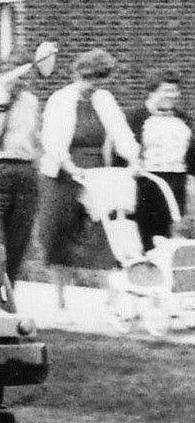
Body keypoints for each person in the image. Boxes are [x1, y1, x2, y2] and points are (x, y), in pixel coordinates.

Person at [32, 48, 141, 322]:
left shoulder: (104, 99)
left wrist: (133, 158)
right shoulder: (61, 99)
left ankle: (112, 299)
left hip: (96, 173)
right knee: (58, 232)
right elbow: (52, 139)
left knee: (105, 231)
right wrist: (70, 167)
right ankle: (60, 302)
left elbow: (120, 132)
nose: (94, 86)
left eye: (100, 81)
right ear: (79, 74)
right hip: (62, 174)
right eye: (90, 79)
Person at [0, 51, 43, 302]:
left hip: (25, 170)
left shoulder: (32, 102)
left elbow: (37, 137)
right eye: (14, 70)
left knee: (19, 237)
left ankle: (10, 295)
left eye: (24, 72)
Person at [123, 70, 195, 251]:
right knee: (142, 231)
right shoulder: (134, 117)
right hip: (144, 183)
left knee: (169, 232)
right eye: (166, 90)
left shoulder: (184, 119)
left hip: (176, 182)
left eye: (175, 91)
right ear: (152, 92)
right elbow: (120, 149)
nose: (171, 95)